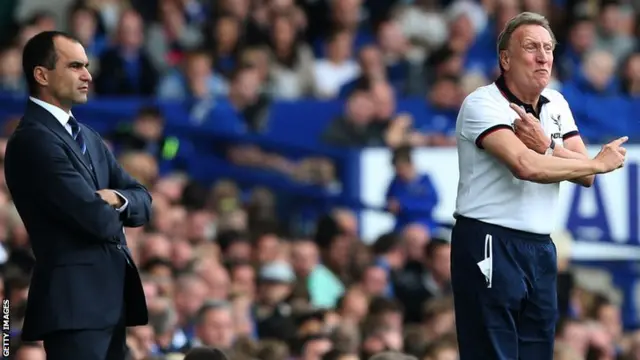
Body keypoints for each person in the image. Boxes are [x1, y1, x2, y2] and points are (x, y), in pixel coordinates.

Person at [451, 12, 627, 360]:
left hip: (541, 246)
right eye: (531, 47)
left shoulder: (557, 102)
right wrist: (592, 161)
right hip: (489, 240)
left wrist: (549, 146)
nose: (543, 56)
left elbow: (584, 175)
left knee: (537, 352)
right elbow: (525, 165)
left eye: (548, 48)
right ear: (505, 58)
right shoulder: (482, 104)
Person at [4, 31, 152, 360]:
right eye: (74, 66)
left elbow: (144, 200)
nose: (87, 75)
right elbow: (96, 220)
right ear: (41, 74)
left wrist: (115, 197)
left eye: (86, 65)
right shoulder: (33, 141)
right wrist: (116, 205)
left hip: (109, 304)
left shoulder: (89, 136)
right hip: (75, 306)